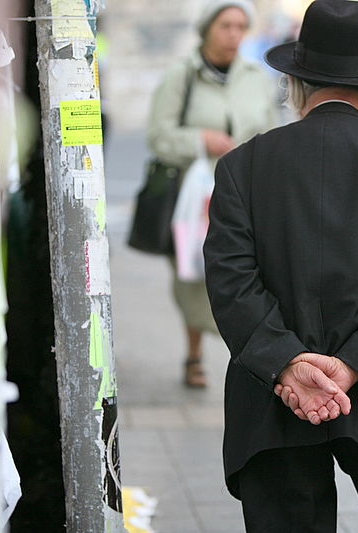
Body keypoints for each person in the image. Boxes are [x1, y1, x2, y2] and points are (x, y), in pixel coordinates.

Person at [204, 1, 358, 531]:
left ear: (295, 85)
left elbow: (232, 283)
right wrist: (353, 367)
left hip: (273, 398)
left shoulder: (240, 167)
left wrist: (291, 364)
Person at [148, 0, 278, 387]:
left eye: (241, 26)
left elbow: (271, 137)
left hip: (248, 194)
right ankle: (193, 355)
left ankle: (249, 356)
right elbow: (158, 136)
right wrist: (200, 140)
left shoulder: (256, 77)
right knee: (192, 274)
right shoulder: (180, 76)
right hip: (194, 198)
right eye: (226, 25)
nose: (234, 34)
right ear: (207, 29)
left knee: (252, 274)